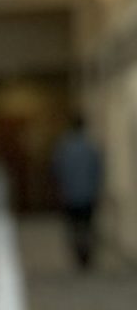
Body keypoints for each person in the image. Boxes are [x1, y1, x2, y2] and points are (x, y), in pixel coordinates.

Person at [52, 113, 104, 269]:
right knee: (87, 226)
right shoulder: (91, 147)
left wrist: (60, 189)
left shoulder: (64, 147)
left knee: (74, 226)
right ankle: (86, 254)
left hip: (70, 194)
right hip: (88, 195)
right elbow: (98, 171)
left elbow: (57, 170)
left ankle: (78, 253)